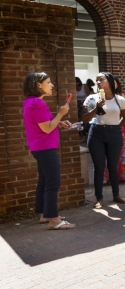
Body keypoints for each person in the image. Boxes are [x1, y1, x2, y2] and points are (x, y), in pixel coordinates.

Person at [23, 72, 75, 230]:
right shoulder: (37, 104)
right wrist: (60, 113)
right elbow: (46, 129)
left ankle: (44, 214)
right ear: (39, 85)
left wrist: (59, 122)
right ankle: (54, 220)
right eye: (48, 82)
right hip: (45, 147)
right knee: (53, 183)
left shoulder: (30, 102)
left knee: (44, 181)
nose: (52, 85)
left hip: (39, 146)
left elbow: (43, 124)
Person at [82, 72, 125, 209]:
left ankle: (116, 195)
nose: (98, 82)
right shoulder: (91, 98)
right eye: (96, 80)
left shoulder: (120, 100)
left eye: (101, 80)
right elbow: (84, 119)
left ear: (109, 81)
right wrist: (96, 107)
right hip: (96, 132)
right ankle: (99, 198)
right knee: (98, 167)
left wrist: (115, 128)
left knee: (113, 167)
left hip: (114, 133)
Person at [104, 77, 125, 182]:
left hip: (121, 126)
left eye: (115, 83)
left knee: (123, 151)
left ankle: (123, 175)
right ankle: (110, 177)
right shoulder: (102, 97)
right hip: (110, 126)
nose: (113, 85)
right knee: (110, 152)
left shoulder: (121, 97)